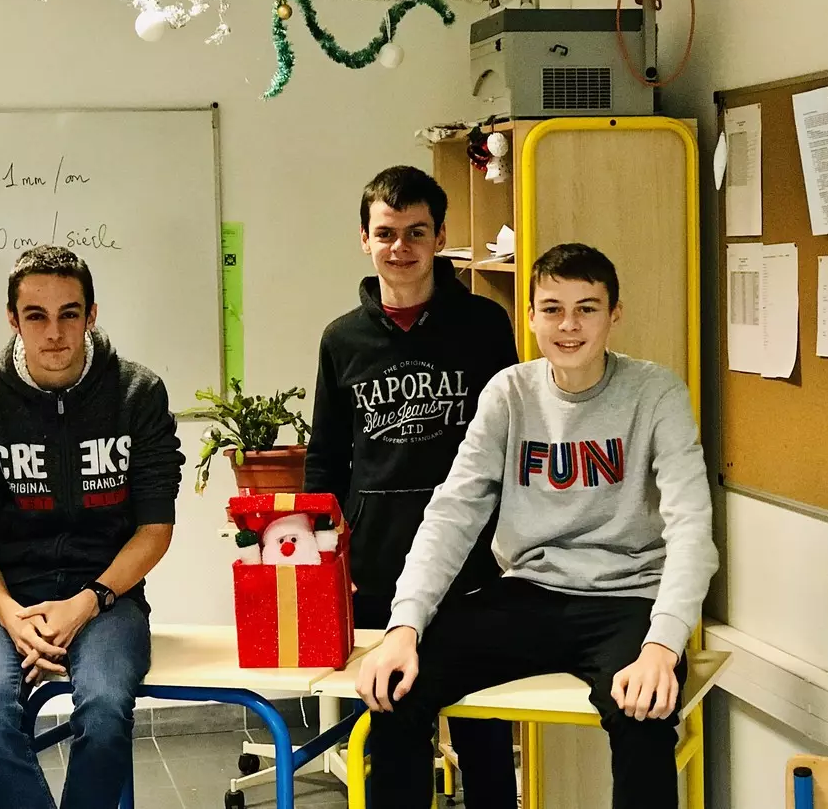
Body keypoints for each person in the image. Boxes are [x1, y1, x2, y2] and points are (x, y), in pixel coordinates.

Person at [355, 242, 719, 809]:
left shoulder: (655, 392)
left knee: (644, 712)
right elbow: (453, 512)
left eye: (586, 308)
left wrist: (662, 644)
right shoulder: (509, 392)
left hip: (627, 598)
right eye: (552, 309)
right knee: (398, 689)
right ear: (529, 316)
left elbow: (692, 526)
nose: (568, 325)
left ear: (615, 313)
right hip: (528, 592)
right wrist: (404, 626)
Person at [305, 165, 519, 806]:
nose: (400, 247)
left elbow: (515, 445)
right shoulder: (341, 340)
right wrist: (326, 561)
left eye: (416, 232)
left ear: (440, 237)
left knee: (486, 744)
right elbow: (326, 459)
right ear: (364, 240)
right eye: (386, 233)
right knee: (394, 746)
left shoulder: (485, 325)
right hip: (378, 572)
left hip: (473, 569)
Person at [0, 245, 184, 809]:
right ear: (13, 320)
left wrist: (88, 601)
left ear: (91, 315)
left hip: (109, 598)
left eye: (69, 314)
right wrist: (10, 614)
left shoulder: (137, 395)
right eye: (36, 316)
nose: (54, 334)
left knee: (104, 710)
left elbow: (155, 528)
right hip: (12, 603)